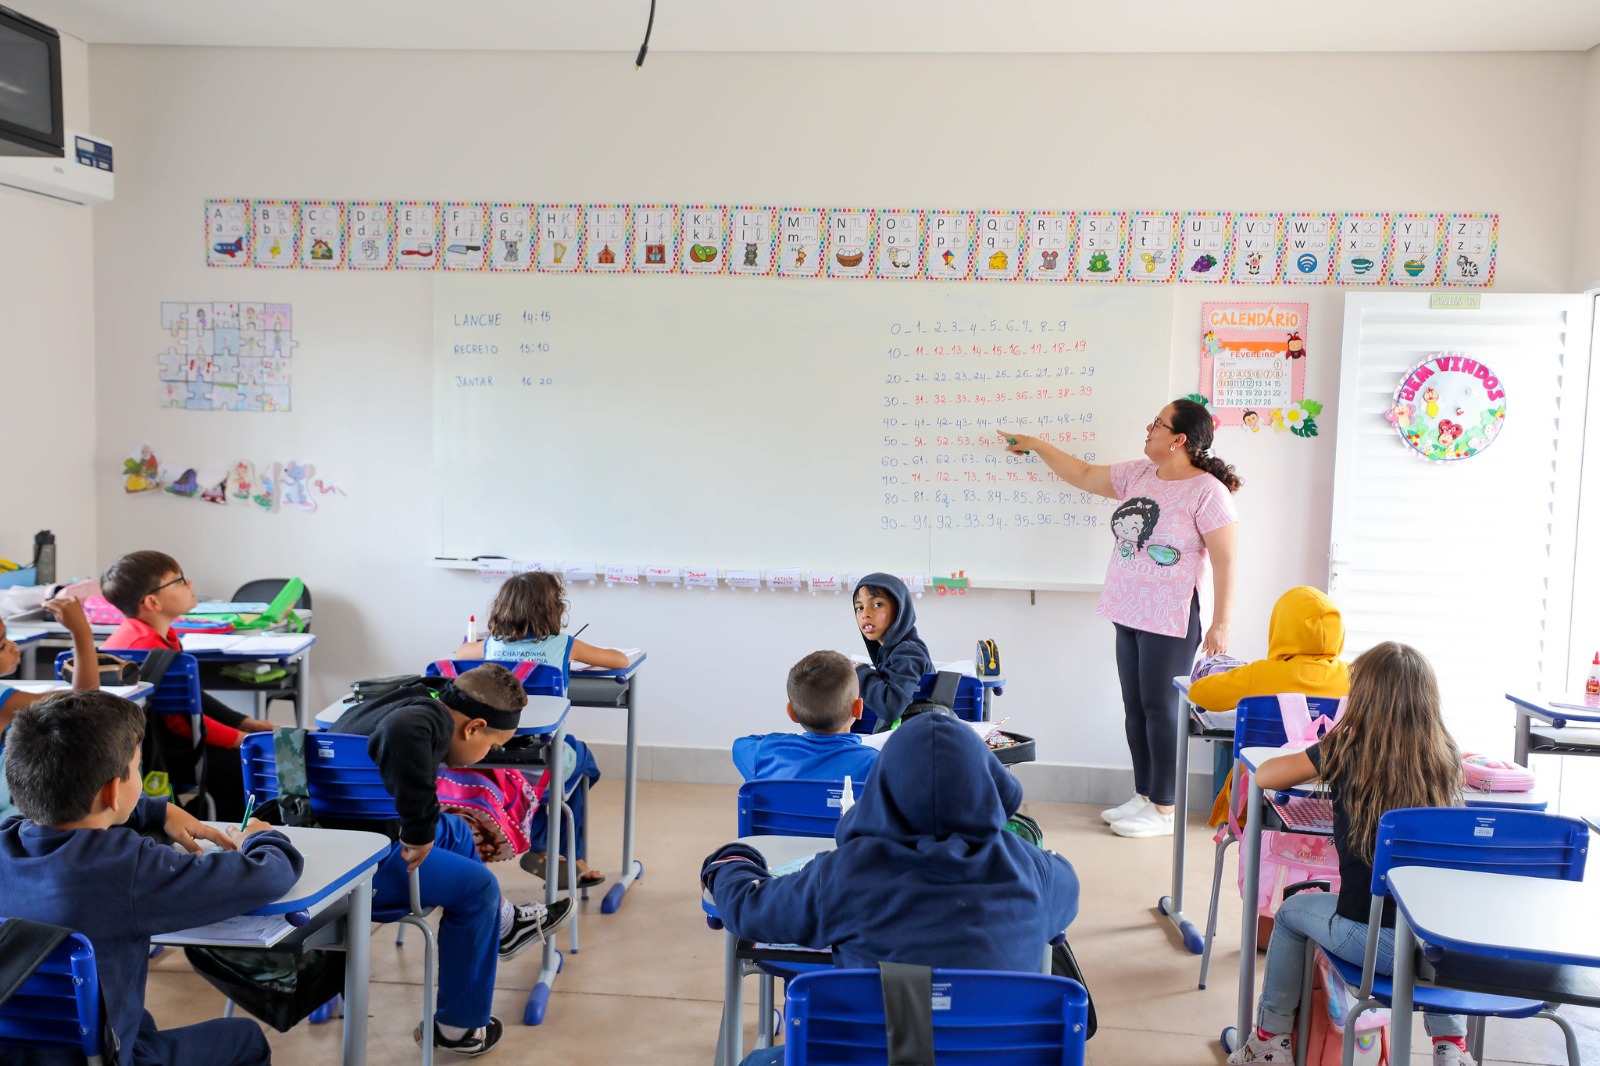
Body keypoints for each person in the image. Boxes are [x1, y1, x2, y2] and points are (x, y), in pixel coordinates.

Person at [0, 690, 302, 1066]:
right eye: (138, 768)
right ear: (114, 790)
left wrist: (158, 811)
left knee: (141, 1021)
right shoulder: (129, 868)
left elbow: (72, 809)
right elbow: (271, 874)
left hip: (17, 1053)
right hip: (106, 1058)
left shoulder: (6, 839)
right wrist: (258, 837)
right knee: (246, 1039)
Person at [1004, 397, 1240, 838]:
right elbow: (1082, 474)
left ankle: (1165, 808)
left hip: (1170, 615)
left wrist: (1221, 624)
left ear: (1179, 439)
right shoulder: (1138, 474)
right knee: (1136, 708)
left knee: (1161, 709)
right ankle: (1145, 794)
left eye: (1158, 423)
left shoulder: (1208, 491)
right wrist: (1037, 445)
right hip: (1127, 608)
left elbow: (1226, 560)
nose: (1149, 428)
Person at [1227, 642, 1471, 1065]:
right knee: (1430, 924)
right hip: (1439, 951)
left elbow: (1266, 774)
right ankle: (1451, 1047)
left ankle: (1269, 1039)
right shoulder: (1446, 760)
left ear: (1362, 698)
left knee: (1290, 912)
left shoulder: (1344, 750)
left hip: (1368, 941)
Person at [703, 710, 1079, 977]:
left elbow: (748, 910)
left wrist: (733, 860)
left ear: (882, 788)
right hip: (999, 1053)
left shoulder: (846, 874)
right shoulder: (1036, 872)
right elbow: (1065, 894)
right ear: (989, 783)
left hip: (871, 1053)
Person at [336, 662, 572, 1056]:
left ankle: (501, 924)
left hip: (342, 841)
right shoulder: (421, 720)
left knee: (458, 832)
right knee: (479, 888)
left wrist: (422, 825)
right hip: (358, 868)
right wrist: (419, 831)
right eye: (492, 746)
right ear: (473, 727)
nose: (489, 754)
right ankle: (458, 1029)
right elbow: (401, 731)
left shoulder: (416, 698)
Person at [454, 570, 621, 888]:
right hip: (543, 756)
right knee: (582, 764)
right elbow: (618, 660)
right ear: (553, 609)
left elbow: (462, 653)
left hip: (493, 758)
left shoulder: (491, 646)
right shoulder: (564, 644)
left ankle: (550, 850)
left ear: (502, 608)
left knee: (563, 767)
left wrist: (483, 643)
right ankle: (562, 854)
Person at [100, 551, 274, 821]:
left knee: (247, 753)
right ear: (152, 602)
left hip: (166, 742)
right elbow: (181, 723)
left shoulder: (159, 635)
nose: (189, 583)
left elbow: (189, 698)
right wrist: (241, 739)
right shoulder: (143, 645)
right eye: (179, 581)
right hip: (153, 753)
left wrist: (244, 722)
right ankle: (232, 832)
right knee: (246, 763)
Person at [1191, 585, 1350, 822]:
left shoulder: (1260, 674)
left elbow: (1200, 694)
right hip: (1334, 799)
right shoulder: (1356, 677)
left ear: (1280, 627)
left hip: (1261, 795)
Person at [0, 594, 102, 821]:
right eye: (2, 645)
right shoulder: (5, 701)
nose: (13, 646)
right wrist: (81, 632)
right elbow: (85, 700)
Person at [731, 650, 878, 782]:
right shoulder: (875, 763)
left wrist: (784, 740)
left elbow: (741, 744)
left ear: (791, 713)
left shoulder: (766, 752)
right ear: (858, 709)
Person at [851, 572, 932, 732]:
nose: (865, 614)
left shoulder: (908, 652)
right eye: (859, 608)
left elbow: (891, 707)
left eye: (877, 605)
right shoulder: (891, 652)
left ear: (900, 609)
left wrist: (859, 671)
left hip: (915, 736)